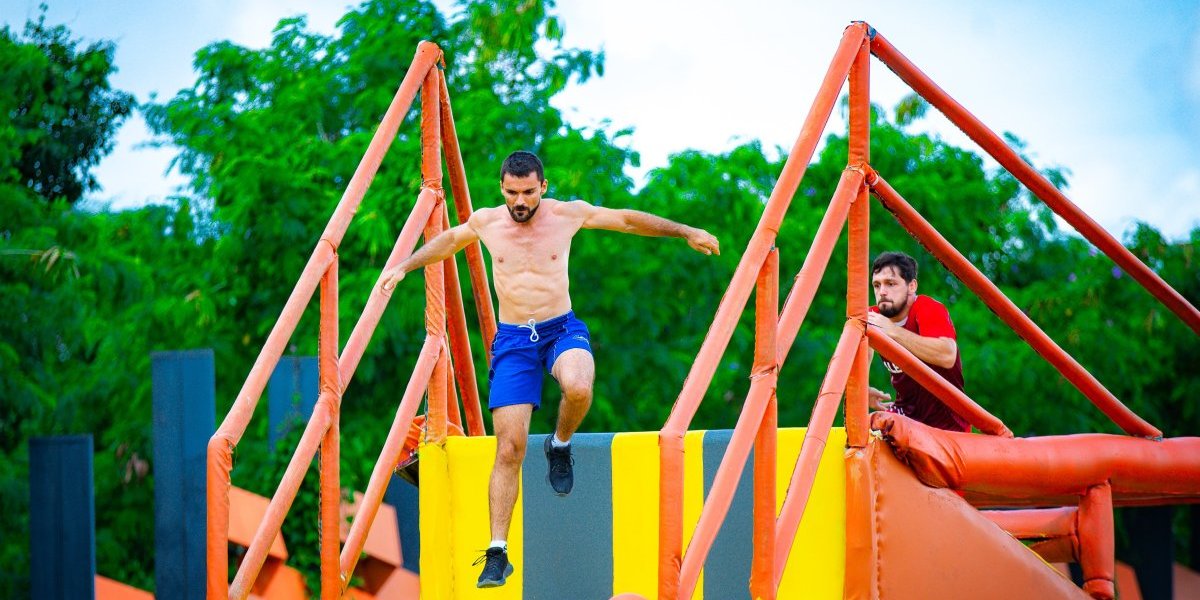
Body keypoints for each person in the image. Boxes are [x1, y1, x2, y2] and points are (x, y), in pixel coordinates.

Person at [379, 150, 720, 588]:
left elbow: (627, 220)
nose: (520, 201)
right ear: (501, 188)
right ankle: (498, 552)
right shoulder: (487, 222)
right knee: (509, 447)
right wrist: (404, 265)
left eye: (527, 192)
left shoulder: (566, 215)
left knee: (579, 387)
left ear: (543, 186)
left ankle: (560, 444)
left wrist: (685, 231)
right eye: (511, 193)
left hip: (561, 328)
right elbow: (447, 241)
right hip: (514, 340)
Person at [865, 251, 970, 433]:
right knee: (864, 432)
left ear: (912, 286)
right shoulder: (873, 317)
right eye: (877, 285)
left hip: (946, 424)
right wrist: (862, 389)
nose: (882, 291)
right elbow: (856, 359)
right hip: (906, 415)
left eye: (891, 284)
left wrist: (893, 332)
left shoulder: (927, 308)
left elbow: (947, 355)